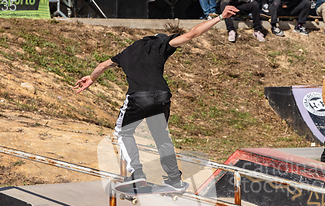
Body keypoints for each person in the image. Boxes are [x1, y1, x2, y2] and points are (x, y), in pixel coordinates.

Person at [74, 6, 239, 190]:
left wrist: (91, 78)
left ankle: (137, 174)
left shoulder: (127, 52)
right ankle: (175, 180)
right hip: (162, 96)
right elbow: (192, 34)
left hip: (138, 97)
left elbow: (103, 65)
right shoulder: (160, 44)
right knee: (161, 137)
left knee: (124, 132)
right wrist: (220, 18)